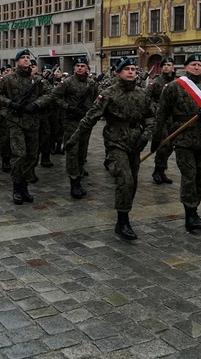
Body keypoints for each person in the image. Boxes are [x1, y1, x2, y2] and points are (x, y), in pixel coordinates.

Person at [64, 57, 154, 240]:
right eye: (126, 69)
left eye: (133, 69)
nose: (131, 72)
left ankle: (125, 213)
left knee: (133, 181)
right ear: (118, 73)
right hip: (115, 141)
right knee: (125, 179)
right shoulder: (108, 93)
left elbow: (151, 117)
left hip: (135, 142)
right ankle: (122, 221)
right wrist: (74, 139)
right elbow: (91, 117)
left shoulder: (142, 94)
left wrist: (146, 136)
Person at [153, 55, 201, 231]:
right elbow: (161, 113)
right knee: (189, 176)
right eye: (193, 65)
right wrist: (156, 138)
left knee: (200, 177)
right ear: (185, 67)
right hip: (183, 138)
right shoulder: (174, 87)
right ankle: (190, 213)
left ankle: (195, 207)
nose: (197, 67)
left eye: (200, 64)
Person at [0, 49, 52, 205]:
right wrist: (10, 103)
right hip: (15, 121)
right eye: (22, 58)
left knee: (32, 156)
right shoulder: (8, 79)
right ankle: (17, 187)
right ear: (16, 62)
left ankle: (24, 187)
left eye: (27, 58)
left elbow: (50, 94)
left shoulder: (37, 79)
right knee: (19, 155)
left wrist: (36, 104)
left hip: (32, 122)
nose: (26, 60)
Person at [52, 56, 98, 199]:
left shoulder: (92, 84)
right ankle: (74, 182)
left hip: (85, 122)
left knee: (82, 151)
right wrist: (68, 107)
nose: (79, 68)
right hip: (71, 122)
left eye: (82, 65)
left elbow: (97, 101)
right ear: (73, 68)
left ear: (86, 68)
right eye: (77, 65)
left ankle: (79, 171)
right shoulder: (67, 83)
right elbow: (55, 96)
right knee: (72, 151)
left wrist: (91, 114)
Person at [146, 57, 176, 185]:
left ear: (173, 67)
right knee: (164, 144)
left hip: (172, 118)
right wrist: (155, 108)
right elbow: (147, 97)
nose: (166, 67)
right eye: (164, 65)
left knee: (170, 146)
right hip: (160, 118)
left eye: (169, 65)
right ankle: (157, 170)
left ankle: (162, 170)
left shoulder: (176, 82)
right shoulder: (156, 82)